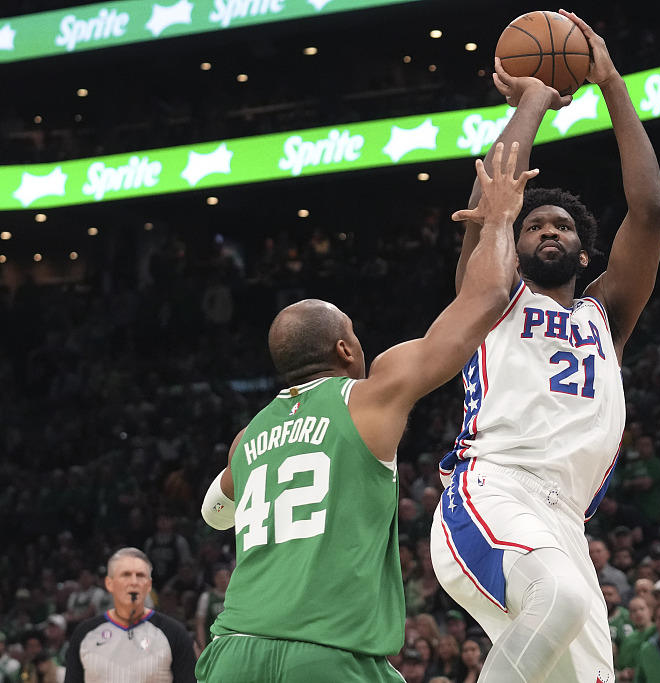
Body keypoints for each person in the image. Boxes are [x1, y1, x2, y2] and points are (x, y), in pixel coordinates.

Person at [194, 141, 536, 683]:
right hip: (325, 655)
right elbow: (490, 295)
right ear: (346, 351)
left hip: (232, 652)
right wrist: (499, 219)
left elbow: (215, 513)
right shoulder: (369, 395)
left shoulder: (248, 437)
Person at [430, 10, 660, 683]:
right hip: (493, 487)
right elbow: (489, 204)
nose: (546, 230)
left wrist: (611, 80)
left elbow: (649, 210)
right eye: (532, 224)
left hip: (565, 523)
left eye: (560, 224)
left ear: (584, 249)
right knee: (557, 600)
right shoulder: (491, 298)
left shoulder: (605, 313)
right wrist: (536, 96)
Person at [64, 548, 196, 683]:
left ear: (149, 584)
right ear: (110, 584)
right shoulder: (85, 633)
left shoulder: (174, 633)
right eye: (125, 575)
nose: (133, 582)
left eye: (140, 575)